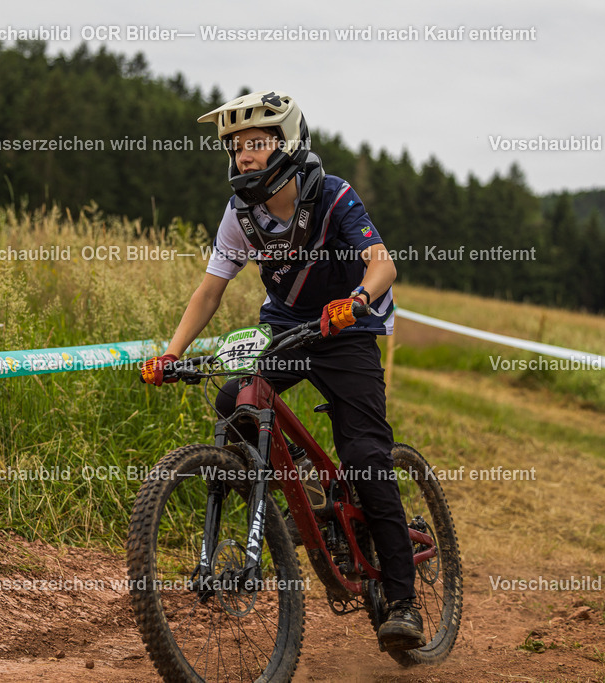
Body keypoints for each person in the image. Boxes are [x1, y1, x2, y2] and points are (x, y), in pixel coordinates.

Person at [140, 91, 424, 650]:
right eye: (237, 147)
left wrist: (359, 300)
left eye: (257, 144)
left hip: (347, 330)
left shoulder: (334, 196)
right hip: (288, 327)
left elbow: (382, 263)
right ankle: (290, 493)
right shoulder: (240, 214)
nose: (245, 156)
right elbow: (210, 290)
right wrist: (171, 352)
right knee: (234, 402)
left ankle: (404, 601)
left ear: (287, 143)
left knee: (366, 458)